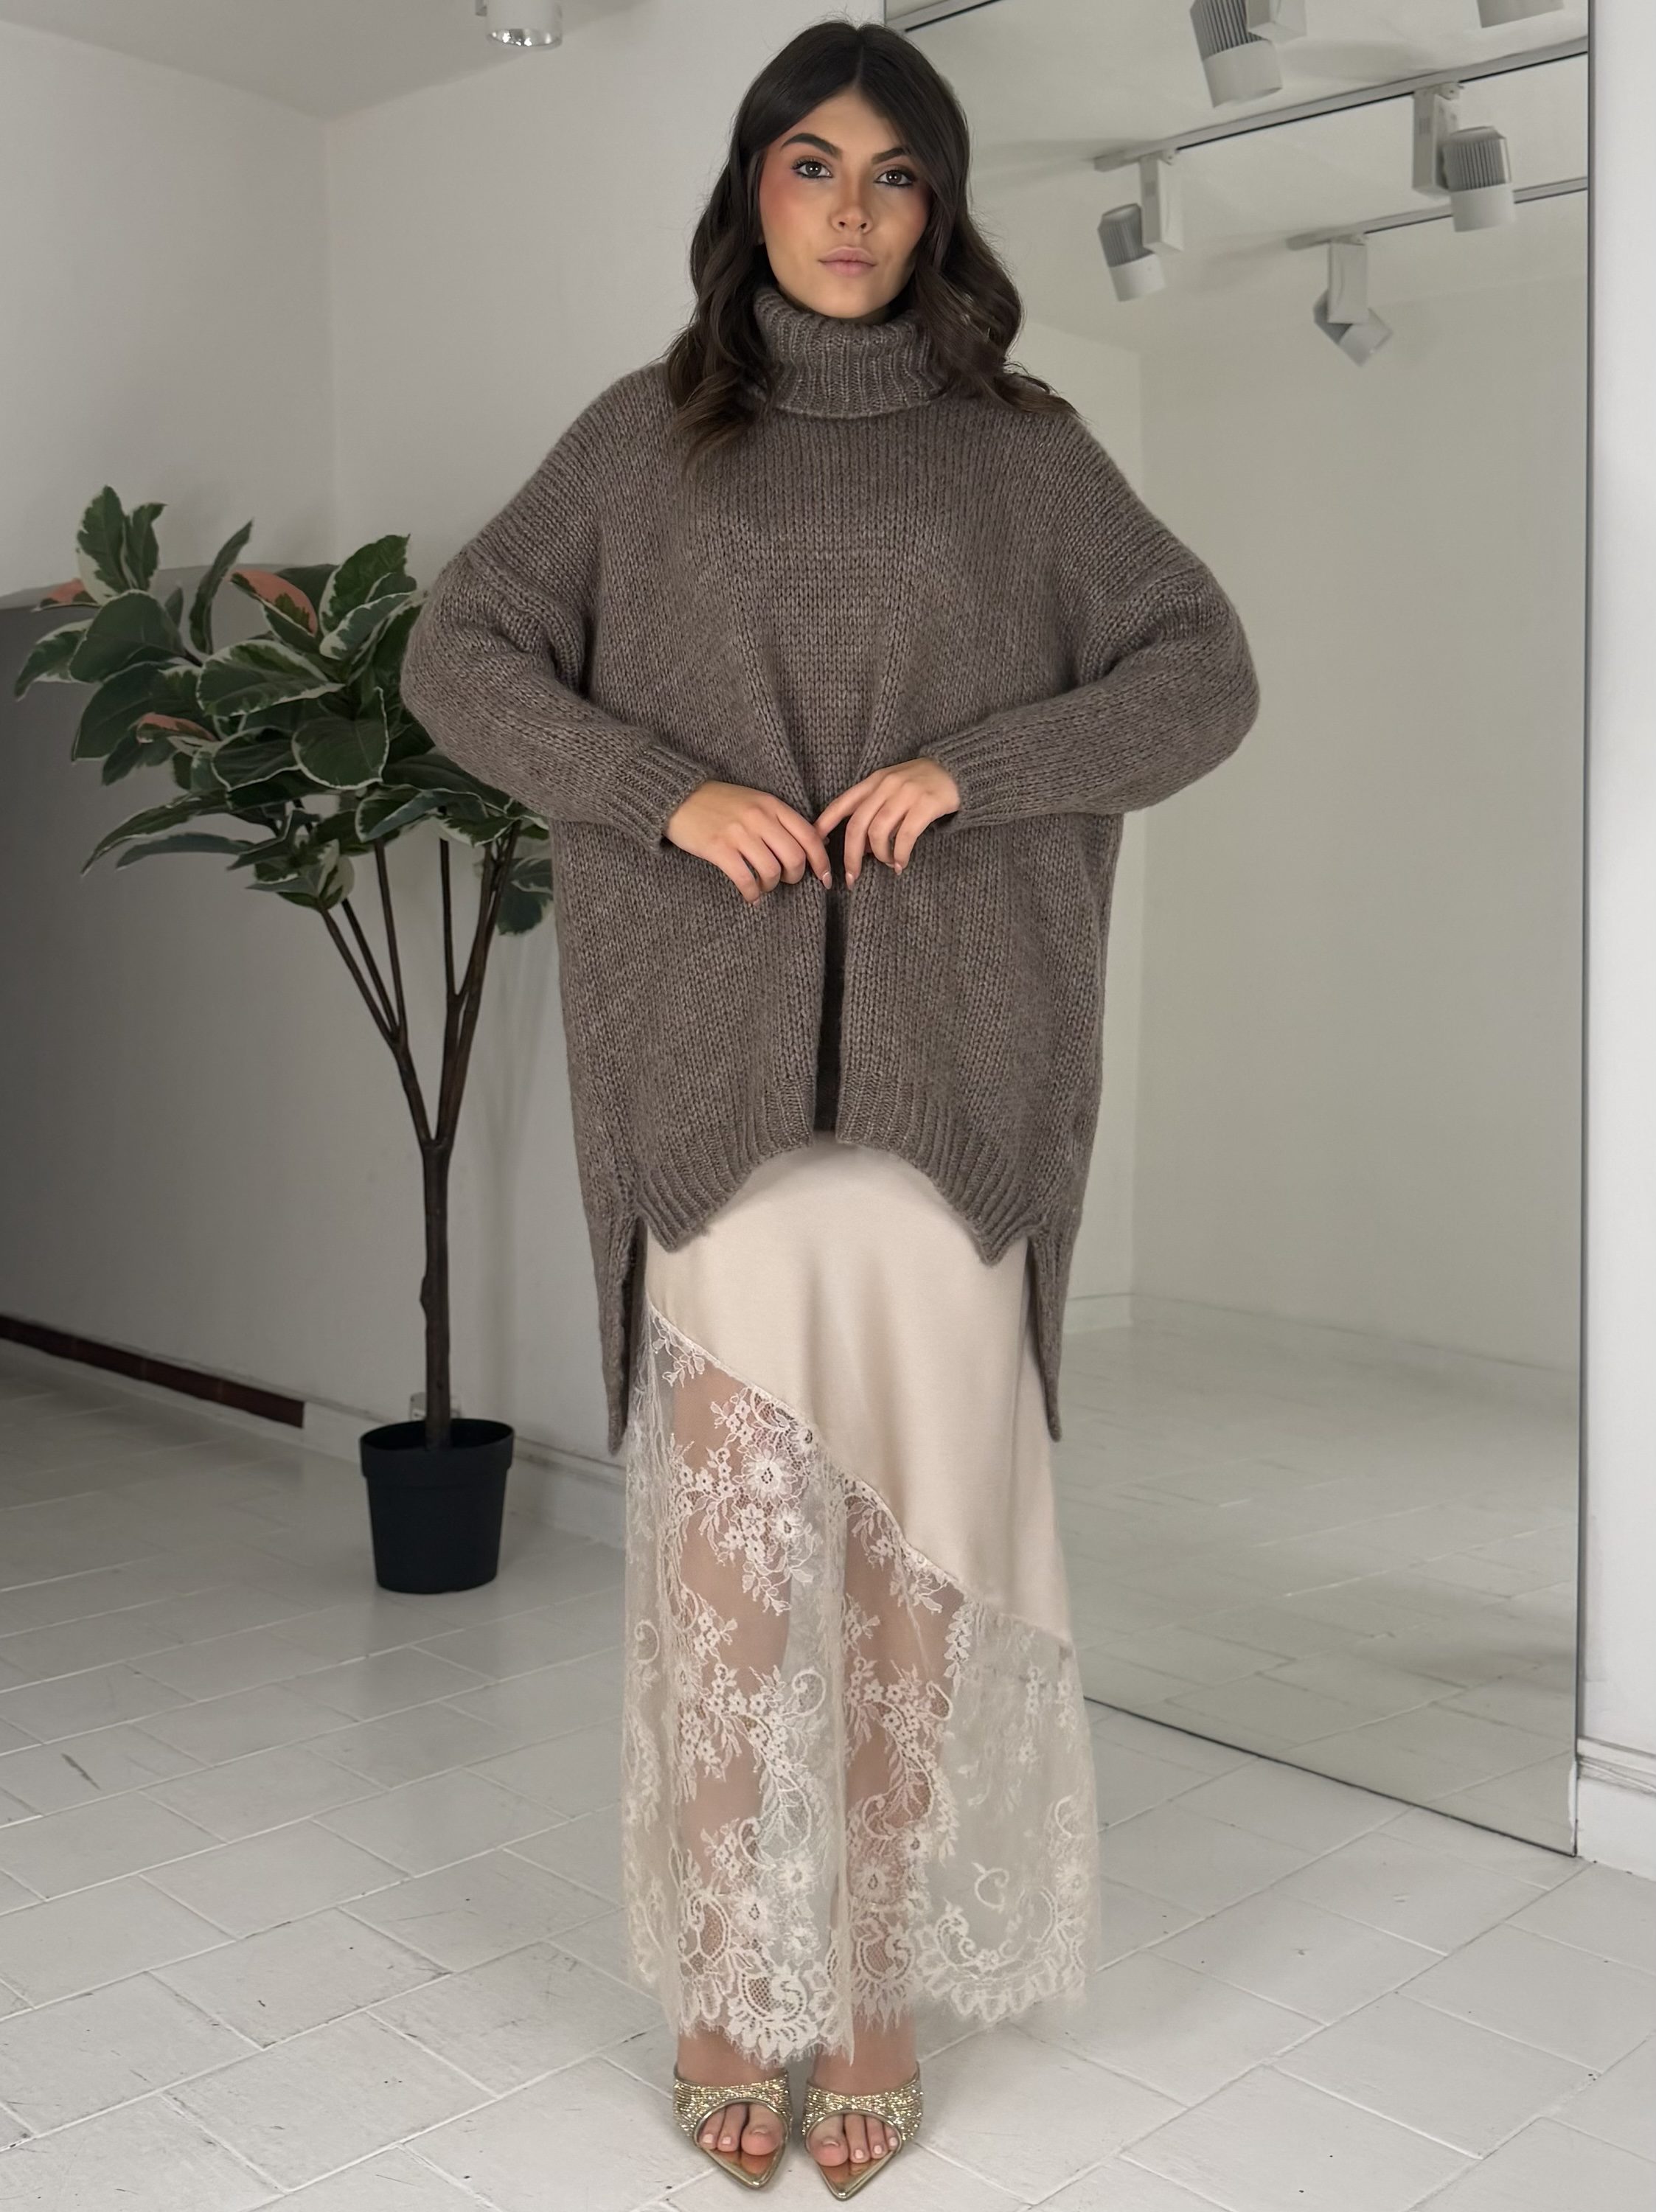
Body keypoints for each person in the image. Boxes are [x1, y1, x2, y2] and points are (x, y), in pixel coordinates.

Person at [399, 21, 1260, 2197]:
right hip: (714, 1111)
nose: (852, 211)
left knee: (906, 1585)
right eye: (811, 165)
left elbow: (1202, 671)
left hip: (954, 1107)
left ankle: (868, 1991)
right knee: (729, 1582)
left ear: (939, 204)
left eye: (893, 173)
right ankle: (729, 1986)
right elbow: (459, 652)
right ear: (751, 190)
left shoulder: (1028, 455)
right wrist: (656, 788)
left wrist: (985, 765)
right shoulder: (642, 438)